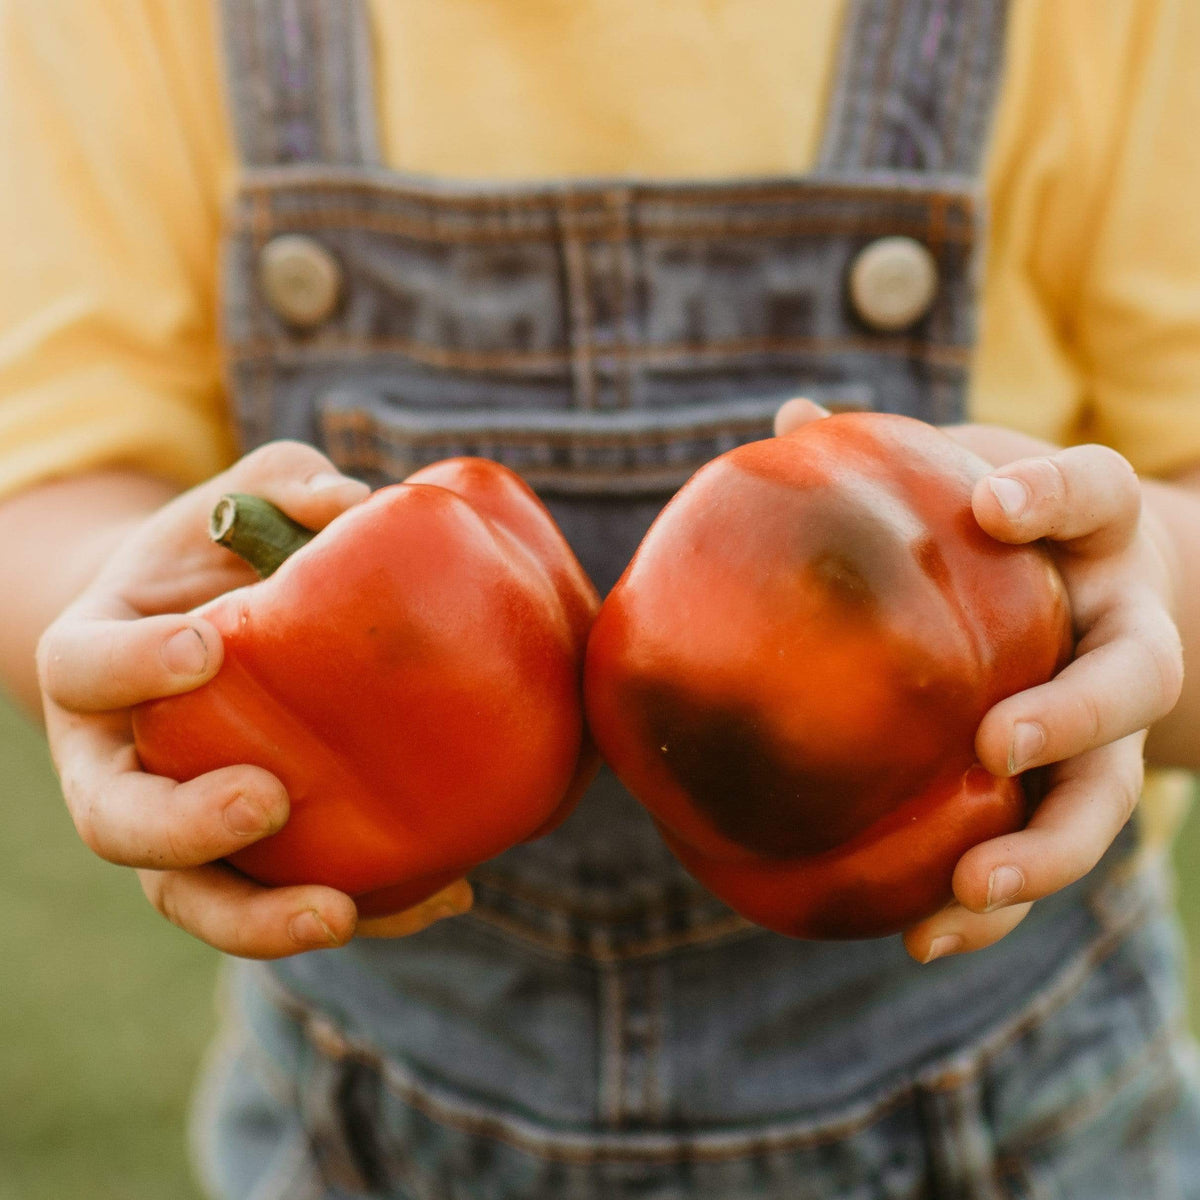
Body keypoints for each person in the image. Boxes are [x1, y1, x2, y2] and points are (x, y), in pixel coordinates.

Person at [2, 0, 1200, 1195]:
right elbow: (46, 469)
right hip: (369, 1115)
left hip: (1023, 1100)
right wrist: (106, 614)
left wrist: (1139, 588)